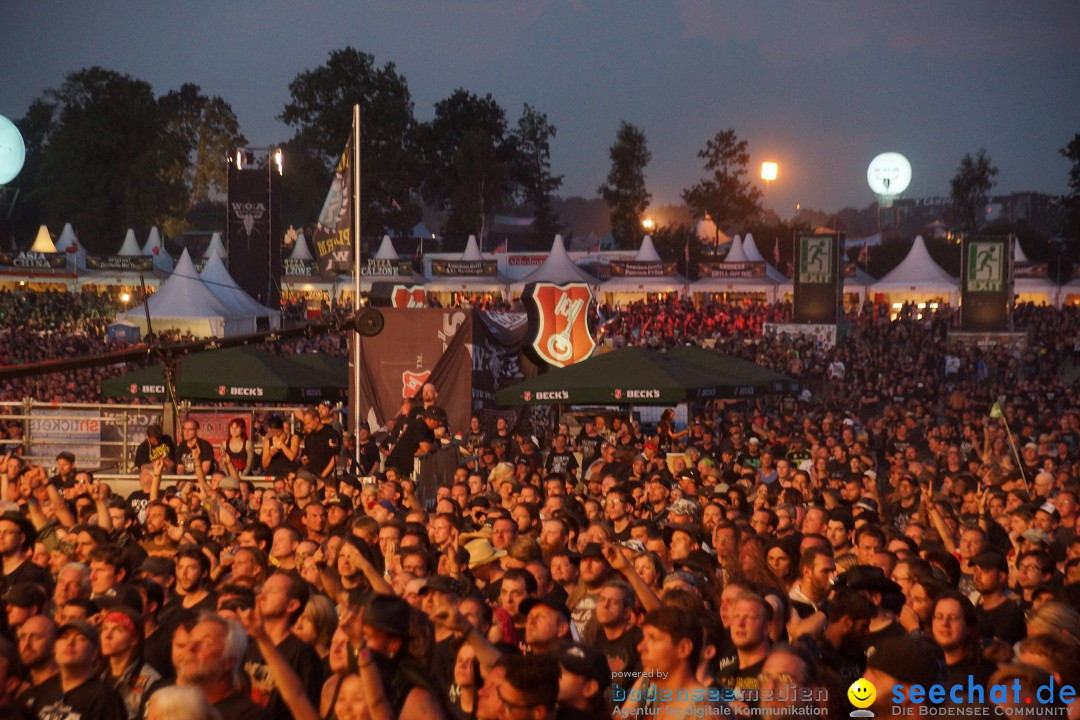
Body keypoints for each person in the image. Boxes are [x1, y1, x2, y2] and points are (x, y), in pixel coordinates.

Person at [20, 619, 127, 720]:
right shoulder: (38, 693)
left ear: (95, 652)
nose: (70, 642)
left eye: (81, 638)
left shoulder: (104, 698)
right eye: (64, 637)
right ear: (54, 648)